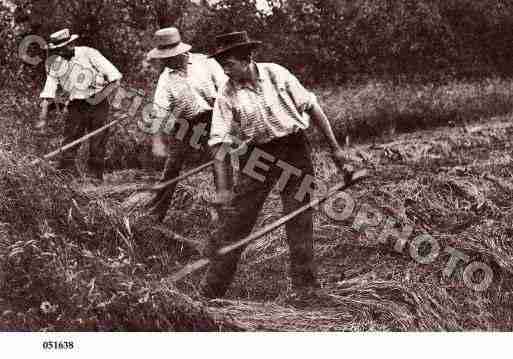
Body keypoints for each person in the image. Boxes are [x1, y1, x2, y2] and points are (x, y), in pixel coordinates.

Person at [201, 31, 356, 299]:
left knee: (298, 217)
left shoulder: (277, 74)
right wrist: (224, 189)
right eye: (221, 63)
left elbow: (313, 109)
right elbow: (218, 142)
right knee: (237, 221)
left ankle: (305, 289)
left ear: (247, 57)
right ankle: (210, 292)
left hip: (293, 150)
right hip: (257, 155)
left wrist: (337, 152)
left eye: (229, 62)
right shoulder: (226, 94)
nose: (225, 69)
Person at [144, 27, 227, 222]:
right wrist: (157, 141)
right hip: (185, 124)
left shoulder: (206, 63)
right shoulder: (166, 78)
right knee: (172, 167)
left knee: (221, 163)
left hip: (214, 118)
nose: (167, 60)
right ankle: (155, 215)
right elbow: (159, 111)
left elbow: (226, 90)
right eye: (164, 57)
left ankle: (226, 214)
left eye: (170, 56)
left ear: (181, 51)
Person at [37, 28, 122, 181]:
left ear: (72, 43)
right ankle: (66, 178)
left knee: (97, 142)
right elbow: (48, 91)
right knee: (69, 141)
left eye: (65, 47)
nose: (63, 52)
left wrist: (105, 100)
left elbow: (115, 78)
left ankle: (95, 180)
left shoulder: (89, 53)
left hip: (98, 101)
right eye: (59, 50)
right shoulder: (54, 64)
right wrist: (42, 118)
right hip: (76, 104)